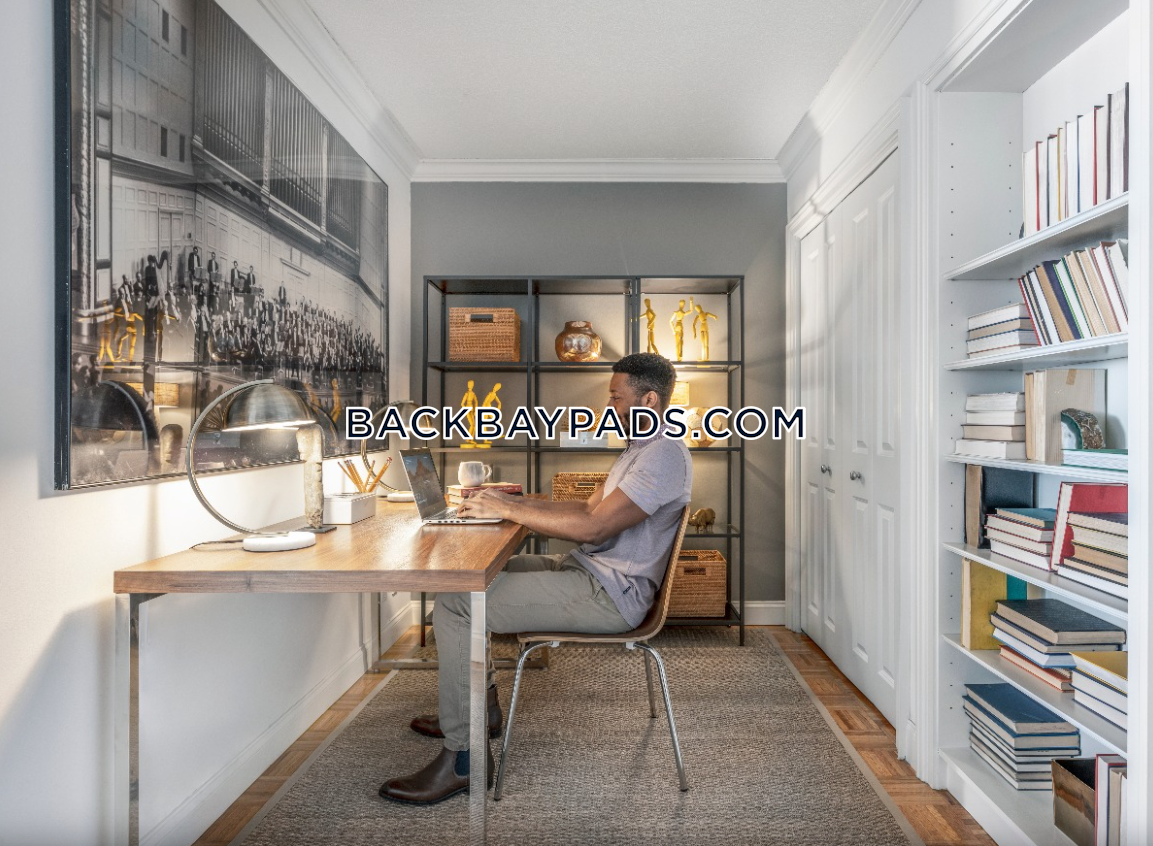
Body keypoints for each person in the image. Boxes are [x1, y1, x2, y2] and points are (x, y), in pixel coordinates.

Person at [379, 352, 692, 805]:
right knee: (465, 583)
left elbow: (594, 528)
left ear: (649, 400)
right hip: (589, 573)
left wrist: (507, 509)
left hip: (609, 595)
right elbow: (587, 508)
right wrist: (511, 502)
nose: (609, 406)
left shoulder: (663, 455)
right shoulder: (640, 449)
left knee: (458, 604)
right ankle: (480, 711)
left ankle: (464, 759)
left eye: (616, 397)